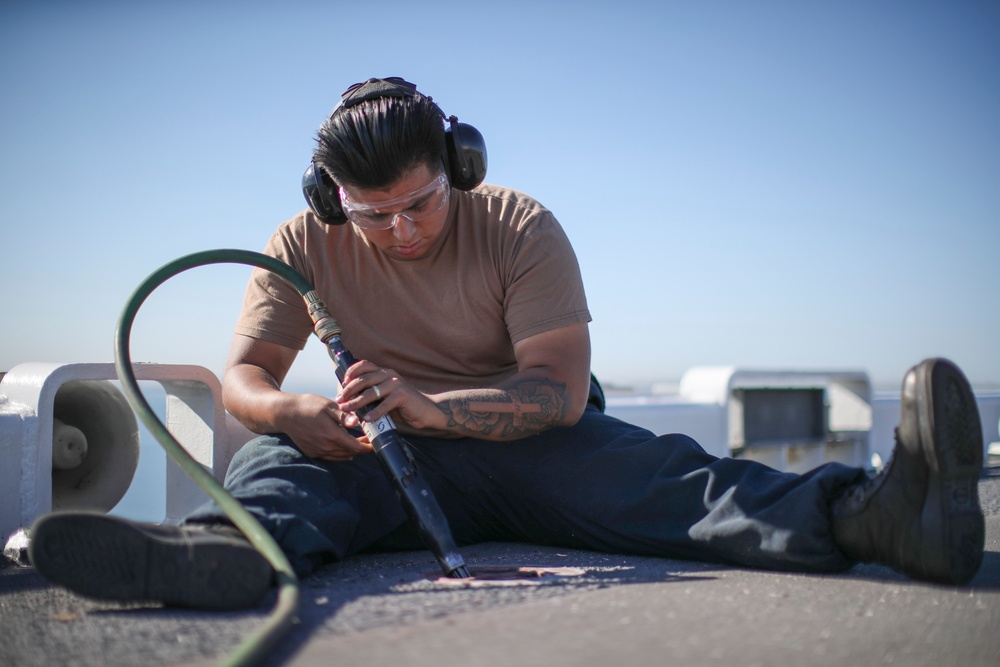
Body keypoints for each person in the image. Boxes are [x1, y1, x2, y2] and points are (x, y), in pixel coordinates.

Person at [29, 77, 986, 610]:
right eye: (373, 215)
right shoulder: (298, 241)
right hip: (375, 456)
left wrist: (437, 406)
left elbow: (560, 393)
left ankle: (879, 517)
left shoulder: (520, 223)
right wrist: (293, 413)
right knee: (279, 473)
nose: (401, 231)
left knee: (672, 481)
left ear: (458, 165)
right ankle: (219, 558)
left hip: (527, 448)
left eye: (420, 203)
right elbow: (244, 378)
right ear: (332, 201)